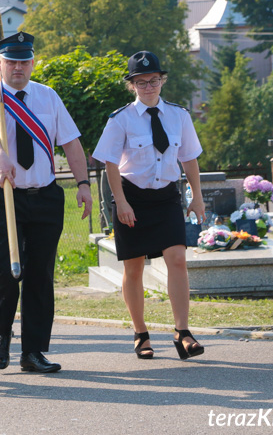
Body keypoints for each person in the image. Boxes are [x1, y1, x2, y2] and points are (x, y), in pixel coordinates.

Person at [0, 31, 92, 373]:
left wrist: (83, 184)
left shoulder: (48, 96)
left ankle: (34, 351)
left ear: (33, 62)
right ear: (0, 64)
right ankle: (1, 336)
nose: (18, 67)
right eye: (11, 61)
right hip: (2, 193)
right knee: (8, 268)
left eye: (24, 61)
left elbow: (70, 142)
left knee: (40, 274)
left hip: (45, 195)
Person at [92, 51, 206, 360]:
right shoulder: (121, 119)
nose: (148, 86)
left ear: (162, 81)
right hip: (132, 198)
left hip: (167, 196)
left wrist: (196, 196)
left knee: (178, 260)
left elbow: (190, 158)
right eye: (141, 82)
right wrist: (121, 202)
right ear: (132, 85)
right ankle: (140, 333)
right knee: (134, 267)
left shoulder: (179, 115)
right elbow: (110, 165)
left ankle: (183, 333)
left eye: (153, 80)